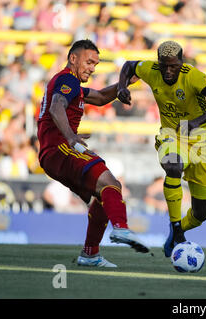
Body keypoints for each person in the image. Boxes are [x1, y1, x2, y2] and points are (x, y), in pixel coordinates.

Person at [37, 39, 150, 268]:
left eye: (95, 64)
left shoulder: (72, 85)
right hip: (60, 148)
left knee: (104, 195)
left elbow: (98, 98)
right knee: (111, 182)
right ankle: (121, 228)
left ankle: (90, 253)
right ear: (73, 58)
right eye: (89, 62)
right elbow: (56, 106)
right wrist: (70, 137)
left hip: (53, 154)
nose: (92, 68)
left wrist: (125, 82)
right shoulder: (66, 78)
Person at [117, 40, 206, 258]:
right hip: (171, 135)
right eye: (164, 66)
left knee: (200, 215)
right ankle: (178, 229)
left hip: (201, 142)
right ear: (158, 62)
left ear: (182, 62)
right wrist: (122, 85)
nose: (168, 71)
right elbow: (129, 65)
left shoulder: (193, 76)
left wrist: (199, 121)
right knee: (173, 165)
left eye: (174, 66)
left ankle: (176, 230)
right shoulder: (150, 70)